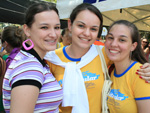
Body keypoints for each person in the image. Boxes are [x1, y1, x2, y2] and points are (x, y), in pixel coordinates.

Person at [45, 3, 150, 113]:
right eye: (81, 26)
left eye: (93, 29)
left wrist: (147, 69)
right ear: (70, 25)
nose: (86, 33)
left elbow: (126, 60)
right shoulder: (52, 59)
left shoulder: (103, 52)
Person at [2, 2, 63, 113]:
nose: (53, 34)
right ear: (27, 30)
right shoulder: (29, 68)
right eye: (44, 27)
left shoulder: (30, 60)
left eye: (57, 27)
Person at [105, 20, 150, 113]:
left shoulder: (141, 74)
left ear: (133, 46)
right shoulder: (111, 71)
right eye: (110, 37)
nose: (113, 44)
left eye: (122, 40)